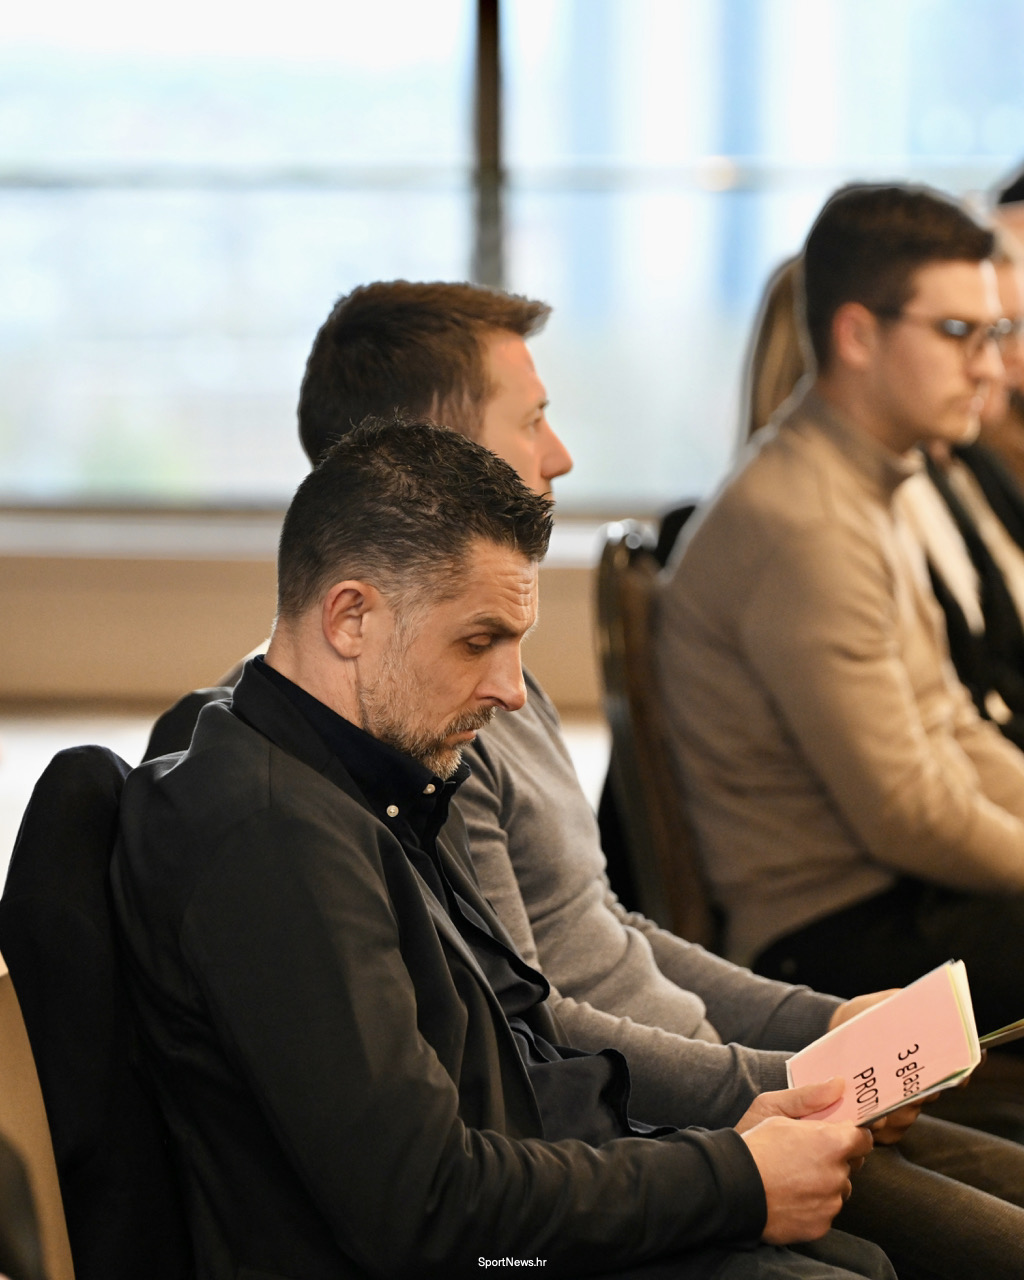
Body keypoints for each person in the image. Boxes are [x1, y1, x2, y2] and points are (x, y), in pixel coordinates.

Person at [114, 417, 891, 1280]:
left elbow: (523, 1068)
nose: (512, 692)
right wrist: (726, 1180)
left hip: (515, 1216)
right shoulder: (274, 841)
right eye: (478, 642)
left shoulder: (376, 777)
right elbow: (422, 1203)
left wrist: (715, 1144)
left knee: (857, 1256)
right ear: (350, 617)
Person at [656, 182, 1024, 1035]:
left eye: (995, 332)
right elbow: (907, 815)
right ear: (857, 335)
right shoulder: (808, 521)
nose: (989, 366)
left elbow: (952, 725)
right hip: (829, 939)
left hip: (897, 897)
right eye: (959, 332)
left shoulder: (867, 481)